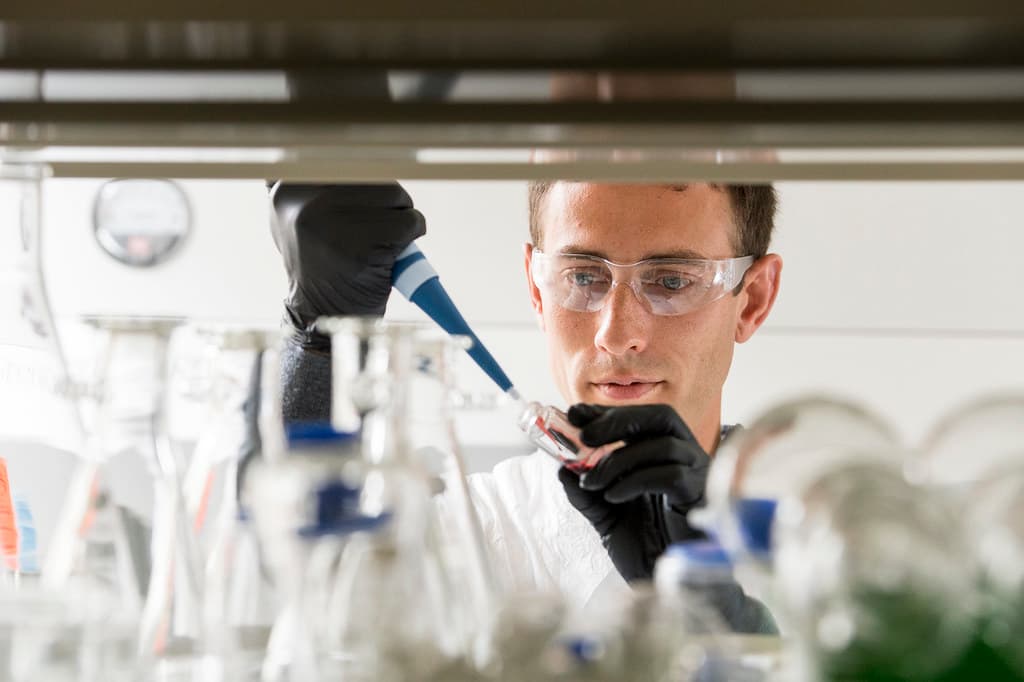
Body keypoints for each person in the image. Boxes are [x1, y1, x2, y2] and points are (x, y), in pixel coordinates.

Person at [269, 179, 783, 632]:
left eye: (672, 281)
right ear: (537, 289)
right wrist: (316, 343)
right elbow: (303, 600)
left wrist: (722, 622)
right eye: (582, 277)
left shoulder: (822, 539)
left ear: (754, 299)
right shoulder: (475, 532)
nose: (616, 333)